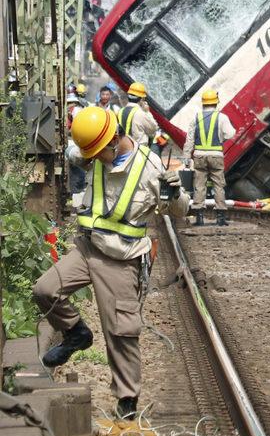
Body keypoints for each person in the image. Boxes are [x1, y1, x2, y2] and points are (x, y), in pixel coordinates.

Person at [33, 106, 189, 419]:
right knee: (45, 289)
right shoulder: (94, 153)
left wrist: (174, 194)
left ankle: (127, 402)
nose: (91, 160)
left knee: (121, 332)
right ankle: (77, 334)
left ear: (114, 141)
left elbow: (179, 212)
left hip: (122, 258)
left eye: (96, 153)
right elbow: (76, 153)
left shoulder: (148, 167)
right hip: (88, 249)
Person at [183, 90, 236, 226]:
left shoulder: (196, 118)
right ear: (216, 102)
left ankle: (199, 218)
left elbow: (189, 140)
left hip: (199, 156)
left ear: (203, 103)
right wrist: (220, 139)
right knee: (218, 184)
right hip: (216, 156)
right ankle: (221, 218)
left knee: (199, 185)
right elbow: (230, 134)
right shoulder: (222, 117)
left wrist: (187, 157)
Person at [118, 82, 157, 147]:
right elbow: (153, 129)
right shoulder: (140, 113)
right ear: (142, 99)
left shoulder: (120, 111)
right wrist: (147, 112)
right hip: (139, 151)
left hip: (124, 149)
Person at [66, 94, 87, 210]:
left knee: (78, 173)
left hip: (76, 145)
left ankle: (78, 203)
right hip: (73, 144)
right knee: (76, 173)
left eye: (71, 103)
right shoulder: (71, 113)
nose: (69, 105)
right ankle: (76, 201)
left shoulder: (77, 112)